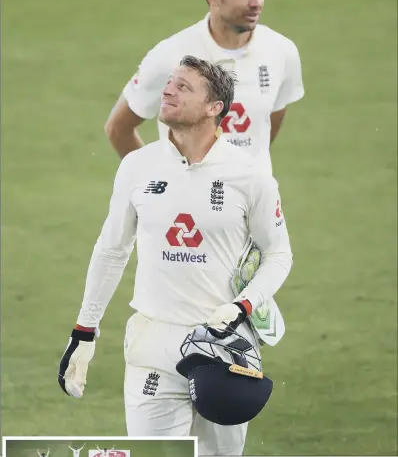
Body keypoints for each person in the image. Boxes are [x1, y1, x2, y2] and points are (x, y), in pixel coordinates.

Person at [58, 56, 293, 456]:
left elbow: (279, 255)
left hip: (223, 346)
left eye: (183, 87)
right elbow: (112, 250)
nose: (168, 90)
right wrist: (84, 329)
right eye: (169, 83)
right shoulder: (137, 166)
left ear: (214, 108)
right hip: (154, 342)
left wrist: (242, 306)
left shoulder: (249, 175)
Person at [106, 0, 304, 175]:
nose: (256, 2)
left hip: (254, 206)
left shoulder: (281, 51)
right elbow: (118, 129)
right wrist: (157, 185)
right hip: (187, 206)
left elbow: (269, 125)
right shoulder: (171, 55)